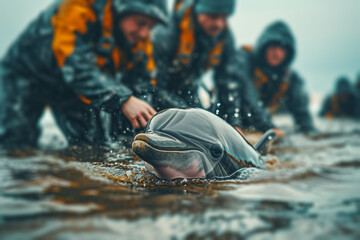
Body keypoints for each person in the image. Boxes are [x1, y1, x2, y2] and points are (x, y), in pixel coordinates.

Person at [0, 0, 168, 149]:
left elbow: (142, 82)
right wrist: (124, 99)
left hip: (72, 89)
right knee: (16, 144)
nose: (144, 33)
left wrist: (146, 131)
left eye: (150, 27)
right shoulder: (78, 6)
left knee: (93, 147)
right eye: (140, 23)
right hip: (25, 76)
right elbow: (76, 66)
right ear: (121, 8)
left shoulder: (139, 40)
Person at [152, 0, 247, 132]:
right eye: (214, 16)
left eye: (224, 18)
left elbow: (228, 81)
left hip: (189, 90)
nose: (219, 24)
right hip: (157, 95)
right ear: (199, 11)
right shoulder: (166, 34)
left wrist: (234, 123)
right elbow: (155, 89)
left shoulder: (223, 37)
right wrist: (189, 116)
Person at [234, 21, 316, 133]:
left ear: (288, 52)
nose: (276, 53)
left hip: (259, 127)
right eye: (272, 47)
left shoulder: (290, 79)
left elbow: (302, 114)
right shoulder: (244, 61)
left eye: (281, 48)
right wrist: (269, 127)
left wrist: (311, 135)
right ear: (264, 48)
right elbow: (248, 96)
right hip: (231, 123)